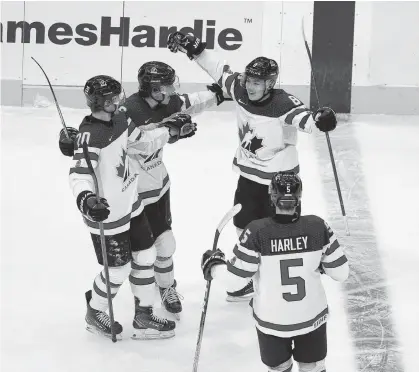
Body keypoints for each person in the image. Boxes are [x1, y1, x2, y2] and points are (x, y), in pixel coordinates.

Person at [167, 32, 337, 301]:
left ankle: (281, 277)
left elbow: (307, 122)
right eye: (249, 80)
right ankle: (246, 277)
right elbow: (217, 68)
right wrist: (196, 48)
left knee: (282, 231)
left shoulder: (283, 103)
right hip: (248, 175)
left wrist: (322, 120)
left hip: (280, 183)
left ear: (270, 84)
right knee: (243, 224)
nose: (250, 87)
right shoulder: (240, 88)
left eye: (257, 83)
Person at [60, 61, 226, 319]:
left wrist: (216, 95)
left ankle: (160, 293)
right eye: (164, 86)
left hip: (154, 187)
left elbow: (187, 103)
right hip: (135, 193)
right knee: (135, 259)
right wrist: (74, 142)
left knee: (162, 247)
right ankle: (131, 305)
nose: (170, 91)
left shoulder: (152, 107)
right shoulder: (128, 111)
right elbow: (94, 141)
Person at [201, 172, 349, 372]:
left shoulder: (257, 231)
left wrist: (215, 266)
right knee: (312, 367)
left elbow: (234, 282)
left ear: (272, 197)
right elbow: (341, 273)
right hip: (311, 317)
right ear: (299, 197)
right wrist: (320, 263)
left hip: (272, 320)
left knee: (279, 368)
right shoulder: (317, 226)